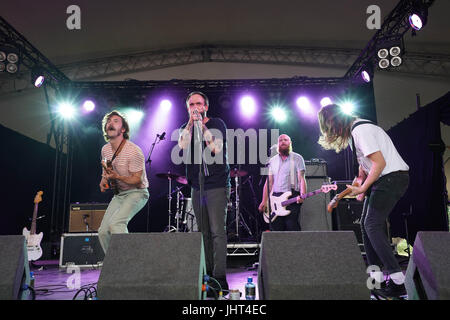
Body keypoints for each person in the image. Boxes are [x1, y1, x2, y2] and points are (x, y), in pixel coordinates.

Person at [317, 104, 409, 298]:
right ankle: (375, 281)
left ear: (334, 122)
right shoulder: (354, 134)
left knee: (372, 225)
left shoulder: (361, 130)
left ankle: (398, 282)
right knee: (367, 228)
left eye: (329, 129)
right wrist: (342, 195)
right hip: (382, 180)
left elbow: (380, 163)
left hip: (391, 178)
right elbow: (362, 174)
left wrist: (364, 188)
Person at [178, 92, 231, 293]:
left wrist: (202, 125)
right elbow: (182, 146)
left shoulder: (217, 123)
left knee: (218, 231)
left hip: (216, 184)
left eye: (198, 103)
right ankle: (208, 275)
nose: (195, 107)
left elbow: (216, 148)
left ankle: (220, 277)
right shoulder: (185, 128)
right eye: (191, 104)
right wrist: (192, 125)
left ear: (205, 106)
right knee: (204, 233)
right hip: (197, 186)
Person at [98, 110, 149, 254]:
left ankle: (128, 262)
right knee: (102, 232)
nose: (110, 123)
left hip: (137, 193)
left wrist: (118, 177)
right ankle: (113, 264)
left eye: (115, 121)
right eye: (108, 121)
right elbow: (107, 171)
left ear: (123, 129)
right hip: (119, 195)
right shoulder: (105, 149)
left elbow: (137, 180)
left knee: (116, 224)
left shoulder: (133, 151)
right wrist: (104, 180)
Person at [258, 134, 307, 231]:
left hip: (292, 196)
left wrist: (303, 194)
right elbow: (269, 182)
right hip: (275, 198)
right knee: (276, 228)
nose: (283, 142)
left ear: (290, 143)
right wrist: (264, 201)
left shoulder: (297, 158)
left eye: (285, 140)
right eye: (280, 140)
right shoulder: (272, 161)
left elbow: (301, 178)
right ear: (278, 144)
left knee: (291, 224)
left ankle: (297, 246)